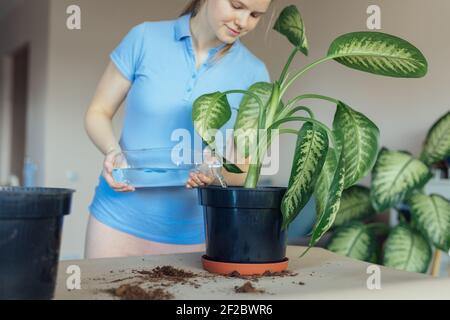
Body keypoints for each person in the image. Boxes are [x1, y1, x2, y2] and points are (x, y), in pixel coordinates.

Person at [84, 0, 273, 259]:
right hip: (116, 223)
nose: (243, 21)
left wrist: (216, 172)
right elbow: (98, 112)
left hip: (198, 235)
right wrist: (112, 151)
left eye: (255, 15)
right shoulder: (144, 38)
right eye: (236, 5)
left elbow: (249, 169)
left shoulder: (255, 74)